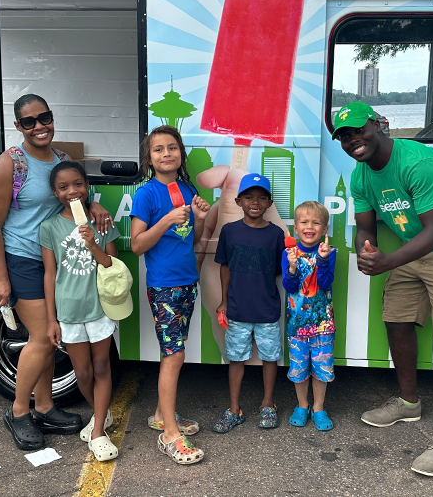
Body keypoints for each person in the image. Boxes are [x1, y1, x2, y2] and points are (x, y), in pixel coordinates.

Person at [332, 102, 433, 476]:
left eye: (358, 129)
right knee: (397, 318)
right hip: (416, 246)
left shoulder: (417, 161)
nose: (353, 139)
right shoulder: (360, 176)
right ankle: (408, 402)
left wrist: (387, 261)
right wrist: (367, 251)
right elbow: (366, 227)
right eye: (343, 136)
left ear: (379, 125)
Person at [0, 94, 113, 450]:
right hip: (23, 259)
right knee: (42, 337)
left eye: (45, 118)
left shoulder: (62, 159)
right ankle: (19, 411)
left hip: (58, 257)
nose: (39, 126)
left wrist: (96, 202)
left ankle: (44, 406)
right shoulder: (11, 163)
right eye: (29, 122)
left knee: (48, 341)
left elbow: (77, 194)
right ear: (18, 127)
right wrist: (0, 277)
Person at [129, 125, 211, 465]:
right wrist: (165, 220)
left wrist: (202, 219)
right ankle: (169, 435)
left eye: (172, 148)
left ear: (180, 154)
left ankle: (163, 416)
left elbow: (190, 240)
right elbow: (136, 245)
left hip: (187, 282)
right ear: (149, 158)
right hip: (163, 286)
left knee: (175, 350)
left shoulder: (186, 188)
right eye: (159, 149)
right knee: (173, 355)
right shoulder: (146, 194)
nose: (167, 153)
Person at [40, 161, 125, 461]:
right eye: (63, 187)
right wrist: (51, 319)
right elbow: (50, 274)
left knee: (102, 367)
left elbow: (111, 267)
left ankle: (99, 429)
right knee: (83, 372)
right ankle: (101, 413)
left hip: (99, 307)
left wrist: (92, 243)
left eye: (77, 184)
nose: (71, 191)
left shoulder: (102, 223)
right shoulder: (49, 227)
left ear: (87, 186)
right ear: (55, 192)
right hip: (68, 310)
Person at [211, 173, 285, 433]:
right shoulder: (229, 231)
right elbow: (225, 268)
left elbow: (279, 270)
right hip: (237, 310)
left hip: (267, 311)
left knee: (270, 358)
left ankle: (268, 404)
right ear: (238, 200)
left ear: (269, 203)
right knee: (235, 359)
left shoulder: (276, 234)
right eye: (249, 197)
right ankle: (234, 409)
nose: (255, 202)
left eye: (261, 198)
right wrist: (223, 301)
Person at [281, 201, 336, 432]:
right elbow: (289, 286)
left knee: (322, 368)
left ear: (324, 229)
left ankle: (319, 408)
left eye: (316, 223)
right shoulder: (289, 253)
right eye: (304, 222)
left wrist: (322, 260)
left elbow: (325, 283)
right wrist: (292, 267)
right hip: (297, 325)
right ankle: (302, 405)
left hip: (323, 325)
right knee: (299, 369)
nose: (309, 226)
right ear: (296, 228)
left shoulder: (328, 252)